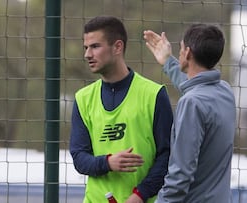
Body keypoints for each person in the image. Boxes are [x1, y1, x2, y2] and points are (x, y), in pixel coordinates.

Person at [69, 16, 173, 203]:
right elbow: (79, 157)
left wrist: (140, 195)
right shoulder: (83, 99)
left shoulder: (154, 94)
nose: (87, 55)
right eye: (86, 48)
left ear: (117, 47)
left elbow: (168, 156)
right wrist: (108, 162)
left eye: (95, 46)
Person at [143, 24, 236, 202]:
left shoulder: (191, 103)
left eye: (181, 48)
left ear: (188, 53)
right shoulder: (225, 91)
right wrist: (168, 62)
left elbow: (180, 175)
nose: (179, 52)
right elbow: (196, 86)